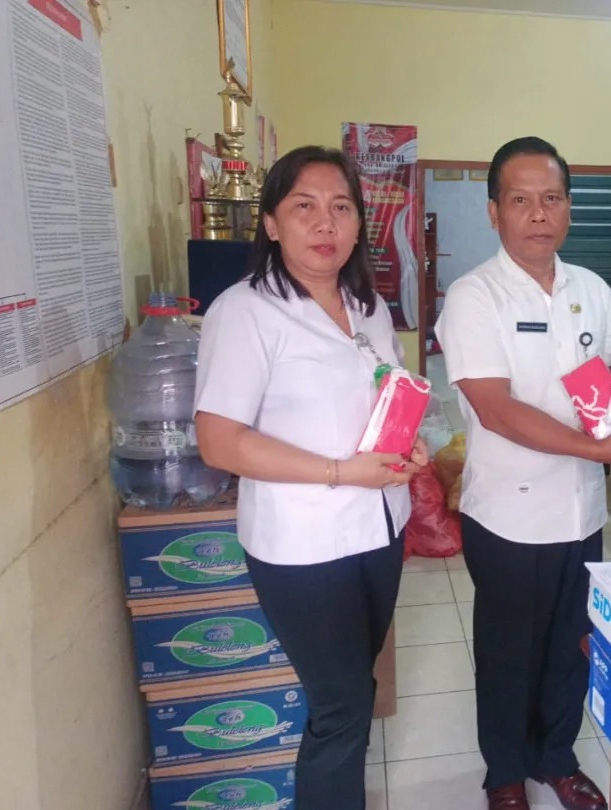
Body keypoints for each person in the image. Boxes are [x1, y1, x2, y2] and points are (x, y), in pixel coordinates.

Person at [194, 145, 426, 810]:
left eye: (341, 207)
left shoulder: (369, 306)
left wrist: (406, 447)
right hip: (302, 548)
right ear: (270, 222)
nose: (325, 223)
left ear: (358, 225)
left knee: (355, 692)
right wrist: (339, 472)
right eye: (304, 206)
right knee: (342, 704)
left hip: (380, 530)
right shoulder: (244, 311)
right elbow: (218, 441)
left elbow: (385, 397)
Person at [435, 136, 611, 810]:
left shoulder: (592, 289)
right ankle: (504, 772)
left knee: (569, 645)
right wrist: (598, 450)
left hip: (581, 509)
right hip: (507, 513)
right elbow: (496, 410)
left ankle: (557, 758)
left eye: (552, 198)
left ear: (568, 207)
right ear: (494, 210)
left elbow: (607, 383)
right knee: (508, 651)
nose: (538, 213)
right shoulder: (474, 296)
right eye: (521, 200)